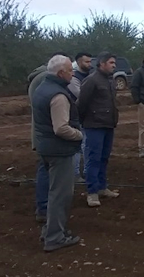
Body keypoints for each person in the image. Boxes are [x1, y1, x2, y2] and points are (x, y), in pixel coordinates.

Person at [31, 55, 83, 252]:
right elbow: (61, 128)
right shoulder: (59, 96)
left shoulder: (41, 89)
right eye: (70, 70)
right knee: (60, 195)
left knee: (54, 193)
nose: (73, 73)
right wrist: (80, 135)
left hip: (45, 147)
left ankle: (50, 231)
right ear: (61, 73)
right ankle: (54, 237)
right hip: (59, 151)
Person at [27, 51, 68, 223]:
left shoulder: (37, 80)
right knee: (48, 172)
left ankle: (44, 208)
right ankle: (45, 210)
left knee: (44, 169)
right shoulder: (45, 81)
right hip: (49, 135)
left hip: (41, 133)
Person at [78, 52, 120, 207]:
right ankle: (92, 192)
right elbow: (81, 104)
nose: (114, 65)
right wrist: (85, 122)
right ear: (102, 64)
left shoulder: (110, 80)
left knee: (104, 158)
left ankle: (102, 187)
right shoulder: (91, 81)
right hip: (94, 126)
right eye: (111, 62)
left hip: (108, 124)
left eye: (114, 63)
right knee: (93, 159)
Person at [69, 52, 92, 183]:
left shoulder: (88, 75)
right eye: (86, 62)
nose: (89, 64)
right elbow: (80, 95)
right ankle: (75, 173)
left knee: (86, 144)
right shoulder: (74, 77)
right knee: (78, 144)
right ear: (78, 62)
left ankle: (85, 171)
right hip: (76, 115)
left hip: (86, 114)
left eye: (90, 61)